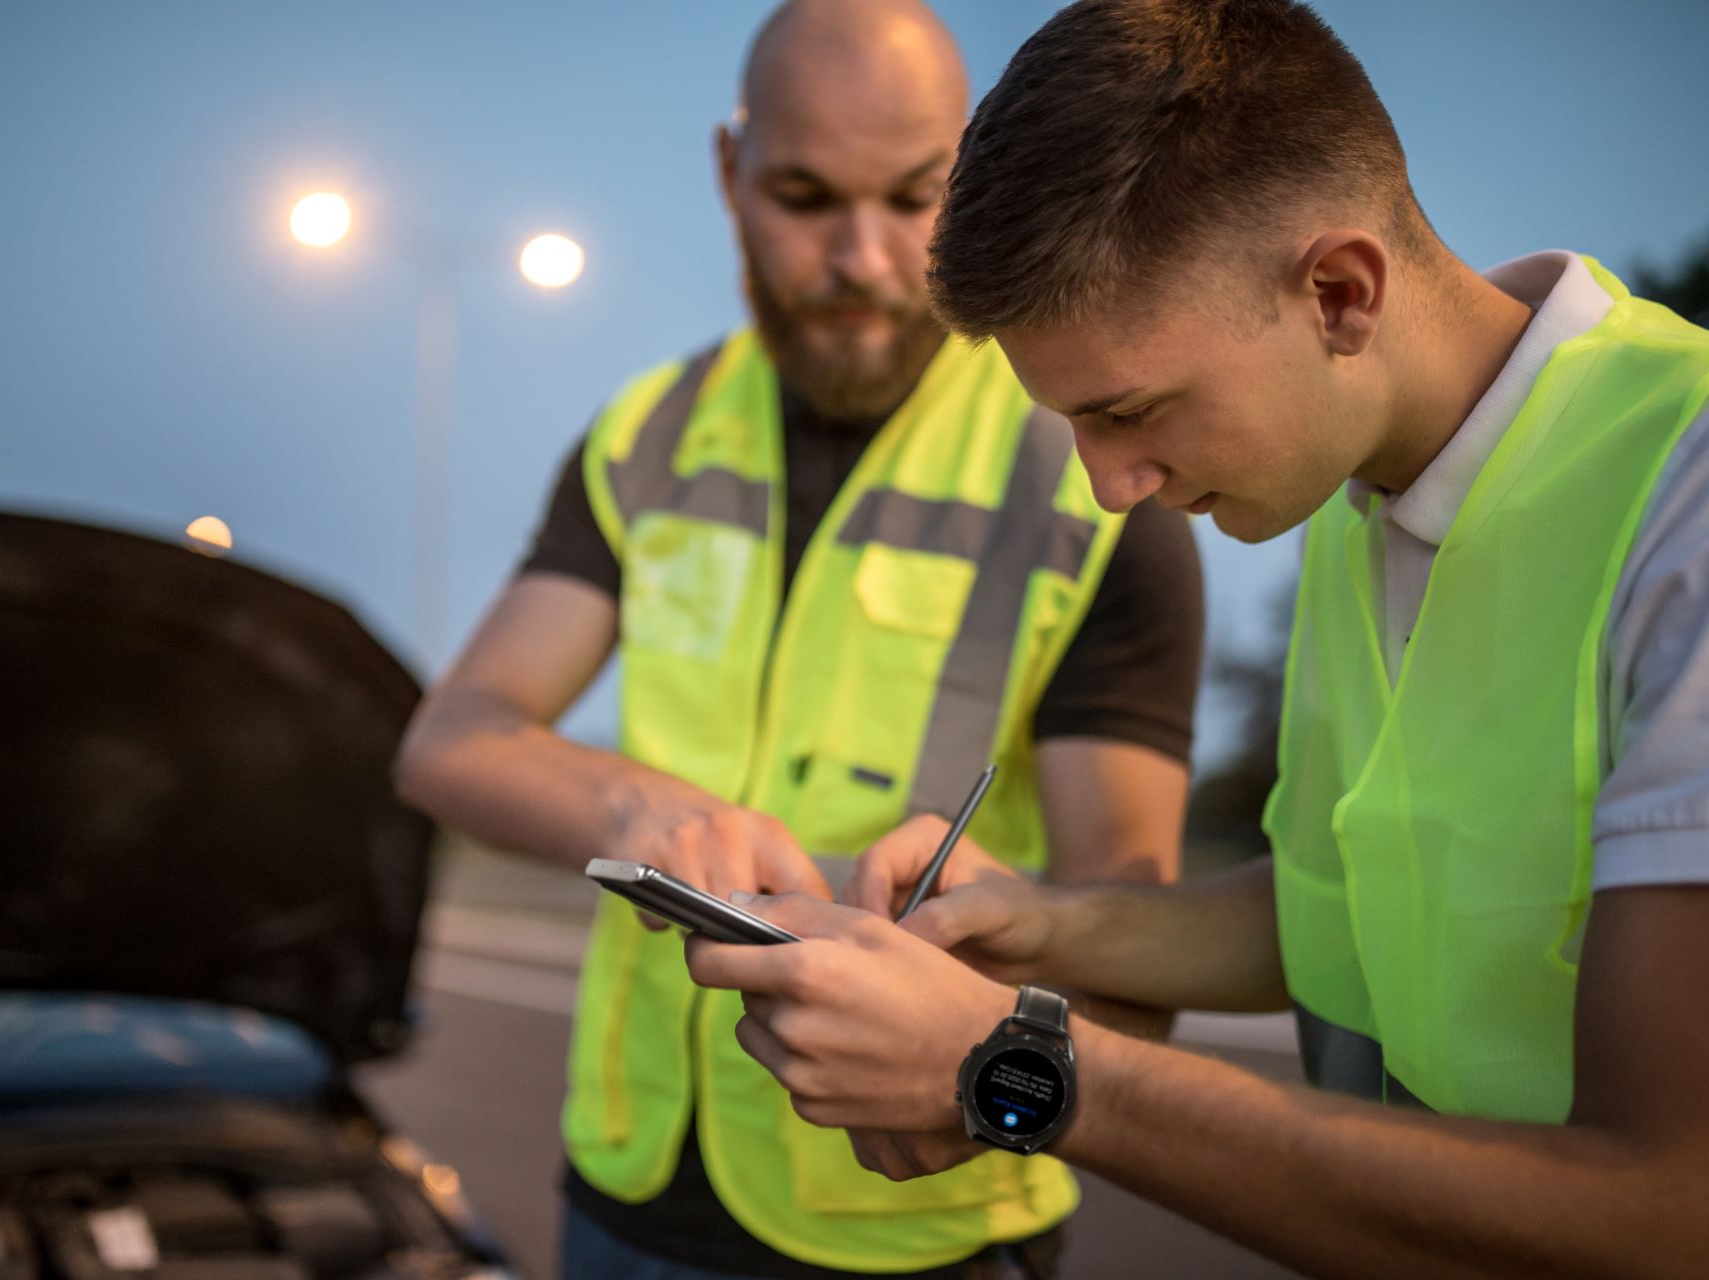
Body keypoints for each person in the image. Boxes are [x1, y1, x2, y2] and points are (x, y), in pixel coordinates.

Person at [685, 1, 1709, 1275]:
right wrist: (1042, 921)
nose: (1112, 487)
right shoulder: (1351, 496)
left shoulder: (1688, 498)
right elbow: (1347, 905)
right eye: (1076, 429)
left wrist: (1018, 1062)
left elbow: (1666, 1208)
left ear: (1340, 292)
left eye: (1131, 410)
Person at [391, 1, 1206, 1276]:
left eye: (913, 197)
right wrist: (632, 808)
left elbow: (1134, 943)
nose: (865, 259)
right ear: (730, 171)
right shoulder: (644, 437)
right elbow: (456, 734)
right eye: (805, 195)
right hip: (624, 1183)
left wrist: (973, 1052)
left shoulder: (1091, 470)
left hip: (925, 1236)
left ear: (975, 172)